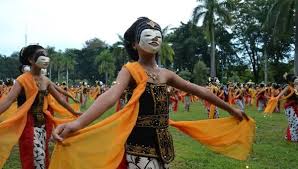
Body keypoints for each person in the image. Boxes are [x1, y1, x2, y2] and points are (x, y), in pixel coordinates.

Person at [51, 17, 252, 169]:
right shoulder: (129, 70)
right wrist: (77, 123)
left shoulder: (165, 74)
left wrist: (230, 108)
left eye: (158, 36)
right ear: (135, 44)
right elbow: (110, 96)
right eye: (148, 35)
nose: (155, 38)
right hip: (138, 143)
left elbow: (199, 90)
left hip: (163, 143)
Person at [0, 44, 80, 169]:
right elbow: (8, 101)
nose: (44, 58)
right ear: (30, 60)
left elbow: (60, 99)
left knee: (42, 157)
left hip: (43, 125)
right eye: (39, 55)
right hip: (28, 126)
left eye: (45, 55)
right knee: (36, 158)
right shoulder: (22, 80)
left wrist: (74, 112)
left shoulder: (45, 80)